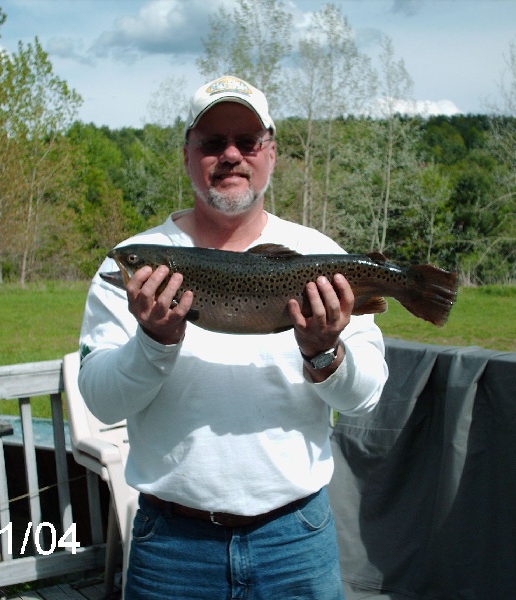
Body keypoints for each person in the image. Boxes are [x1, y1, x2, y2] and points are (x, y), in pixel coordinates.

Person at [78, 75, 388, 600]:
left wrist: (325, 352)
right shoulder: (137, 259)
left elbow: (366, 399)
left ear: (271, 153)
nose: (231, 155)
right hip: (171, 548)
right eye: (212, 143)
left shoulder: (320, 255)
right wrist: (153, 340)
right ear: (187, 154)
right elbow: (101, 403)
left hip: (297, 541)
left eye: (247, 142)